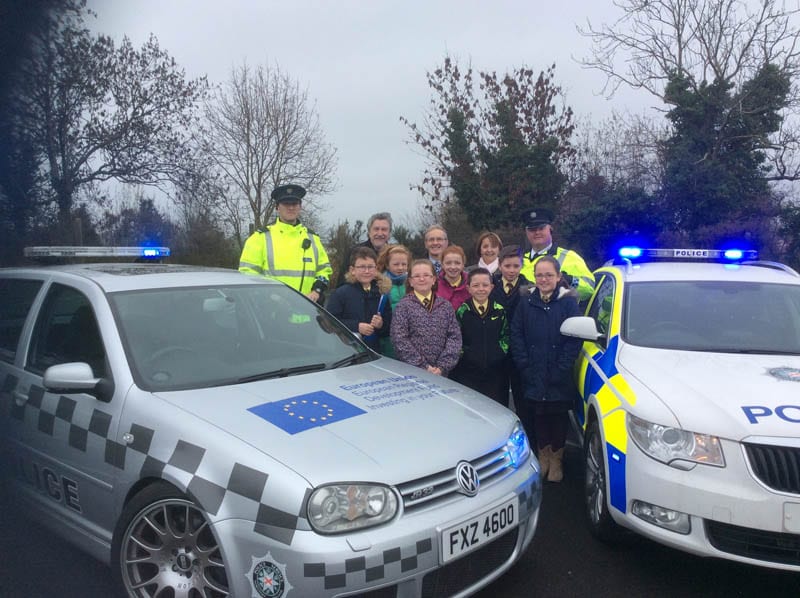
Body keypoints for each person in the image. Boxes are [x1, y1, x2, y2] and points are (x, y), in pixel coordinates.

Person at [510, 255, 582, 482]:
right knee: (538, 417)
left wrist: (562, 367)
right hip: (533, 371)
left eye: (549, 275)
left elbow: (575, 339)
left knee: (558, 417)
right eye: (539, 275)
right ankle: (543, 457)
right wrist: (524, 365)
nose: (543, 279)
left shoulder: (569, 303)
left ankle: (557, 460)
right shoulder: (526, 302)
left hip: (559, 372)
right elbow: (517, 335)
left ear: (559, 276)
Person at [239, 184, 332, 303]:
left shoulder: (313, 238)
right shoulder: (259, 238)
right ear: (277, 207)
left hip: (307, 311)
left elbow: (325, 270)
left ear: (300, 207)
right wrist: (269, 296)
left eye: (294, 204)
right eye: (286, 204)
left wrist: (316, 291)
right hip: (272, 312)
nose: (291, 208)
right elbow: (248, 275)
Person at [391, 259, 461, 376]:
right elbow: (399, 340)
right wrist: (423, 366)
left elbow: (454, 337)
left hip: (442, 373)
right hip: (413, 372)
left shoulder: (445, 306)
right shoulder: (403, 306)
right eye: (417, 276)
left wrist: (442, 366)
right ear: (411, 282)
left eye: (426, 275)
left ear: (433, 279)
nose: (422, 279)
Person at [451, 267, 510, 405]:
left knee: (495, 406)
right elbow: (456, 337)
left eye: (485, 285)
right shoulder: (462, 311)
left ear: (492, 287)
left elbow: (506, 335)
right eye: (476, 285)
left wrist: (500, 352)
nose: (481, 289)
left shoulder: (499, 311)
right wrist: (465, 354)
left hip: (495, 371)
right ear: (468, 288)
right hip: (469, 371)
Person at [490, 245, 533, 415]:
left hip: (520, 350)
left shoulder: (529, 289)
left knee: (522, 398)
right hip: (497, 349)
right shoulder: (491, 287)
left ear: (521, 266)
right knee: (497, 397)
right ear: (500, 266)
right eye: (507, 266)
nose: (512, 270)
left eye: (516, 266)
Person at [519, 208, 595, 303]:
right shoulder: (518, 260)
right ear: (526, 232)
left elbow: (589, 289)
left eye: (541, 228)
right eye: (532, 229)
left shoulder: (569, 257)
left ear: (550, 229)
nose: (537, 232)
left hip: (560, 315)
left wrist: (569, 280)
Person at [325, 247, 391, 352]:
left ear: (376, 269)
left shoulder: (382, 293)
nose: (367, 271)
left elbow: (388, 329)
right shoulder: (341, 293)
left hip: (374, 352)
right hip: (346, 351)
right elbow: (328, 322)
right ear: (352, 270)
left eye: (370, 267)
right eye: (362, 267)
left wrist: (381, 325)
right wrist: (356, 326)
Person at [336, 212, 393, 287]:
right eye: (376, 229)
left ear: (389, 233)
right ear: (369, 232)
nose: (380, 233)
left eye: (384, 229)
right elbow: (342, 283)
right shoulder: (355, 252)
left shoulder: (394, 254)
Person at [376, 244, 412, 357]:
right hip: (388, 336)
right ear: (387, 265)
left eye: (404, 264)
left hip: (410, 334)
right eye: (396, 264)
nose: (400, 268)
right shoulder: (381, 284)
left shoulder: (412, 282)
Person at [436, 245, 470, 311]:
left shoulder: (471, 284)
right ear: (442, 264)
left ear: (463, 264)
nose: (453, 267)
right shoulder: (434, 285)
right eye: (448, 263)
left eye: (457, 263)